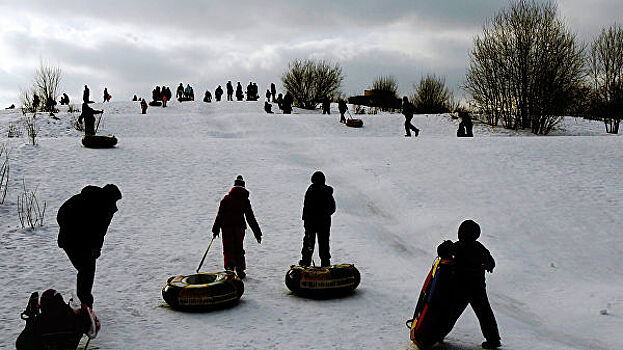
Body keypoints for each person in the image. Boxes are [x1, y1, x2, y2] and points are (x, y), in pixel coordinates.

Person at [438, 220, 501, 349]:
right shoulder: (479, 248)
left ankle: (438, 334)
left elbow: (442, 251)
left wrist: (446, 245)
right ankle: (493, 339)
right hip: (477, 288)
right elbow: (491, 262)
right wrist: (488, 266)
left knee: (451, 313)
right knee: (484, 313)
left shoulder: (458, 246)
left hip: (460, 287)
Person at [57, 184, 122, 308]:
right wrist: (79, 236)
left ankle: (82, 302)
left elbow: (100, 231)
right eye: (115, 200)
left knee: (86, 270)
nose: (115, 205)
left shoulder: (95, 203)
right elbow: (99, 230)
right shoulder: (101, 207)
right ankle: (83, 304)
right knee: (86, 270)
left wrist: (95, 247)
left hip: (77, 242)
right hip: (72, 241)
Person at [212, 175, 262, 279]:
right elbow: (250, 217)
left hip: (227, 227)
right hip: (240, 227)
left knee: (228, 248)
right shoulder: (245, 200)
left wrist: (215, 229)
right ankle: (240, 270)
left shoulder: (226, 199)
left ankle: (230, 268)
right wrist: (257, 232)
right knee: (239, 248)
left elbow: (220, 215)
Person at [299, 171, 336, 267]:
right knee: (321, 244)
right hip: (321, 223)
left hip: (315, 223)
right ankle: (324, 263)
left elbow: (306, 207)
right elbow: (332, 208)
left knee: (310, 243)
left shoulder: (312, 190)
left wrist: (306, 220)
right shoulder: (320, 191)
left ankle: (307, 262)